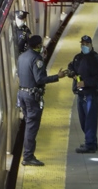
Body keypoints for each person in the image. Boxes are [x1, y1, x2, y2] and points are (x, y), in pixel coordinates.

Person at [17, 34, 67, 166]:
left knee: (29, 124)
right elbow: (39, 79)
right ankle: (28, 157)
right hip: (32, 96)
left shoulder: (21, 57)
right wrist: (58, 76)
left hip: (22, 94)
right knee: (31, 126)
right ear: (38, 45)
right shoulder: (36, 59)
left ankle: (28, 154)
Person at [67, 35, 98, 153]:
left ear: (91, 44)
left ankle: (90, 144)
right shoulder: (78, 57)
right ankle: (91, 141)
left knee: (90, 119)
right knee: (83, 119)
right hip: (80, 94)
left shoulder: (96, 59)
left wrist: (85, 83)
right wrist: (72, 73)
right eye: (82, 44)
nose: (84, 46)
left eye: (86, 44)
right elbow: (71, 67)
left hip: (91, 94)